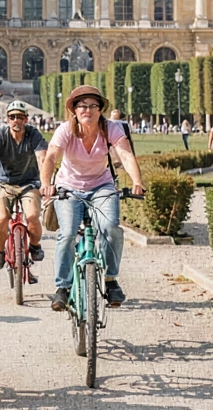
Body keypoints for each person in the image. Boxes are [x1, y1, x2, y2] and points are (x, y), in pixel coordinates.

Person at [40, 85, 145, 312]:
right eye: (82, 106)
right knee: (67, 232)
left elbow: (126, 155)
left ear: (100, 110)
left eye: (93, 106)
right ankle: (63, 287)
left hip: (101, 186)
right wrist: (47, 184)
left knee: (110, 227)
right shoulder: (65, 130)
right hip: (68, 187)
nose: (87, 110)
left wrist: (137, 181)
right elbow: (51, 157)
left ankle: (110, 279)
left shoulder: (111, 128)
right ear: (75, 111)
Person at [0, 101, 47, 274]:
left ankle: (34, 245)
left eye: (19, 117)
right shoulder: (0, 134)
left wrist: (46, 183)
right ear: (7, 119)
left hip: (29, 182)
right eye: (12, 117)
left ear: (26, 119)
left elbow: (42, 158)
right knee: (1, 219)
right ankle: (0, 251)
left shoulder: (33, 134)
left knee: (32, 216)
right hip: (4, 183)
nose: (16, 120)